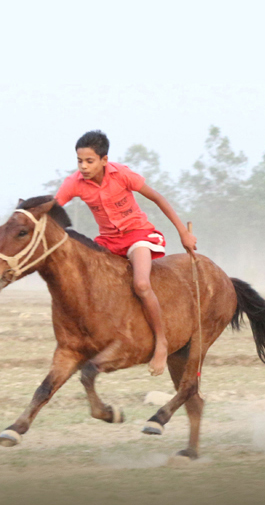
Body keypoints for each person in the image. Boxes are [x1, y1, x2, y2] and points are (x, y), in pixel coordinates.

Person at [55, 130, 198, 375]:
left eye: (89, 161)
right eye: (80, 161)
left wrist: (183, 233)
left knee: (141, 285)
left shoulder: (122, 174)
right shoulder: (74, 183)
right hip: (108, 242)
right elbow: (53, 208)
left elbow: (158, 198)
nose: (84, 167)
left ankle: (161, 342)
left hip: (137, 236)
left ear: (103, 159)